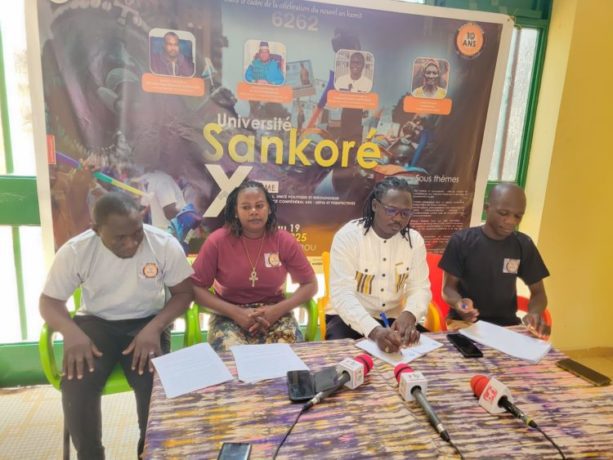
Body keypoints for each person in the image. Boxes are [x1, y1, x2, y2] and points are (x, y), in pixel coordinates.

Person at [39, 192, 194, 459]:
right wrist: (71, 332)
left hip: (148, 323)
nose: (131, 243)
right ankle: (90, 454)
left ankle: (149, 451)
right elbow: (49, 302)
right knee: (77, 383)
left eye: (136, 232)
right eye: (119, 238)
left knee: (153, 384)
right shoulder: (76, 251)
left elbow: (184, 294)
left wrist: (155, 327)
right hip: (96, 324)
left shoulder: (164, 244)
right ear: (96, 230)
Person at [191, 180, 317, 351]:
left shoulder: (284, 240)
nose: (253, 212)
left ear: (269, 209)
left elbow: (311, 284)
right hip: (228, 316)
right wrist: (235, 312)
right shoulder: (217, 241)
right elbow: (194, 288)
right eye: (246, 207)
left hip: (275, 314)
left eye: (259, 206)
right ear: (236, 212)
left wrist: (277, 310)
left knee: (287, 357)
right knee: (233, 358)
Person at [326, 177, 431, 353]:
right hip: (348, 318)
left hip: (393, 319)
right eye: (391, 210)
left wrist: (410, 314)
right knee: (342, 359)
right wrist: (374, 331)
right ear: (375, 205)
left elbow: (420, 287)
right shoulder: (348, 237)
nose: (398, 218)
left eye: (405, 213)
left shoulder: (414, 241)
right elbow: (342, 294)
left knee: (426, 357)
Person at [439, 183, 550, 337]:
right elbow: (448, 289)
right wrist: (460, 304)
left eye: (518, 216)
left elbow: (539, 294)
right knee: (472, 351)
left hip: (507, 325)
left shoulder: (523, 244)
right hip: (465, 322)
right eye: (503, 213)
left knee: (534, 350)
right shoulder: (462, 241)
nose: (511, 221)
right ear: (487, 208)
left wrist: (534, 313)